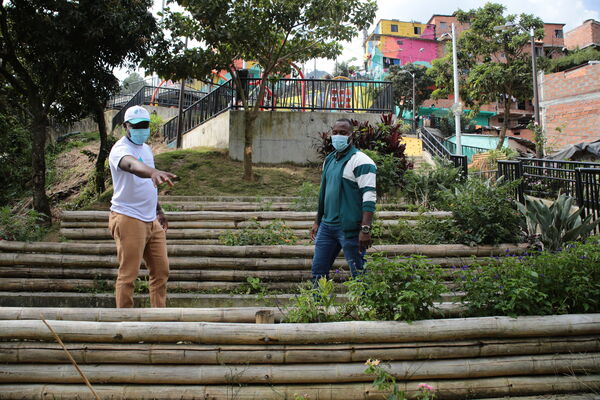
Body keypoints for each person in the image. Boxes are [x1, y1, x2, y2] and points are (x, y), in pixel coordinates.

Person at [108, 105, 177, 308]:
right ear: (126, 126)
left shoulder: (146, 149)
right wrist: (151, 172)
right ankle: (125, 324)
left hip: (150, 218)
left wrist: (159, 210)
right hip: (128, 217)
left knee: (161, 271)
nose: (141, 129)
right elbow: (131, 166)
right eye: (136, 126)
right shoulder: (120, 150)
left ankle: (159, 319)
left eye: (145, 125)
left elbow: (148, 184)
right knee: (128, 275)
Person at [310, 118, 377, 283]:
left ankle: (365, 305)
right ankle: (317, 306)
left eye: (343, 133)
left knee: (358, 271)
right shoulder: (329, 160)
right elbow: (323, 193)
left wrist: (365, 229)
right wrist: (317, 221)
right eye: (335, 133)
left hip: (350, 229)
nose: (338, 136)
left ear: (351, 136)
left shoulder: (361, 161)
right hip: (327, 226)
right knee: (318, 271)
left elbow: (369, 197)